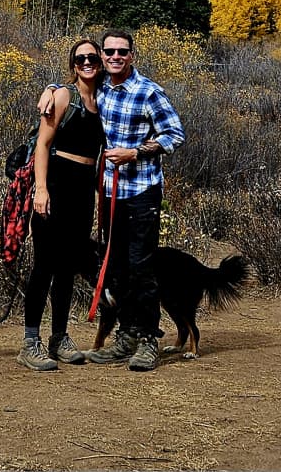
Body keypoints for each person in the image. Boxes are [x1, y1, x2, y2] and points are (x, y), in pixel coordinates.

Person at [41, 28, 184, 372]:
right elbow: (75, 83)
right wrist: (50, 89)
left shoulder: (148, 92)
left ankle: (149, 339)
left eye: (122, 52)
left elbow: (175, 134)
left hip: (141, 193)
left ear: (131, 55)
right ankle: (127, 335)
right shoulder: (101, 86)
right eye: (109, 52)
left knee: (141, 267)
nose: (114, 57)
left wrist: (135, 153)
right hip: (109, 194)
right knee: (116, 269)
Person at [17, 37, 106, 372]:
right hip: (56, 184)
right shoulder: (64, 96)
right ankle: (30, 342)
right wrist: (41, 189)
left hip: (84, 190)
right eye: (81, 58)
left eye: (92, 58)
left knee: (68, 266)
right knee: (45, 265)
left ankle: (59, 337)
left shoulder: (103, 99)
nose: (87, 63)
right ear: (73, 65)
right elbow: (42, 144)